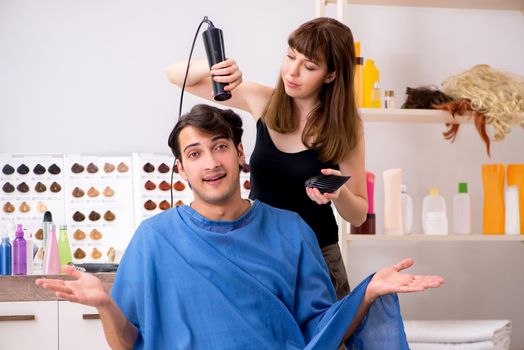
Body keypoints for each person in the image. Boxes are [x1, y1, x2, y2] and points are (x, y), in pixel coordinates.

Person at [36, 104, 444, 350]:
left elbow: (320, 332)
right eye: (195, 153)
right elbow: (128, 343)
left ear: (239, 153)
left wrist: (368, 293)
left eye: (220, 147)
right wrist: (106, 305)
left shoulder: (291, 231)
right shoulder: (154, 239)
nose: (211, 162)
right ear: (181, 169)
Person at [165, 17, 365, 298]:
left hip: (317, 255)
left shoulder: (346, 127)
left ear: (330, 75)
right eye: (290, 57)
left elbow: (357, 214)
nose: (292, 72)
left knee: (325, 340)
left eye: (309, 66)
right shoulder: (263, 101)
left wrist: (339, 194)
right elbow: (174, 75)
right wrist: (215, 66)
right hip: (259, 251)